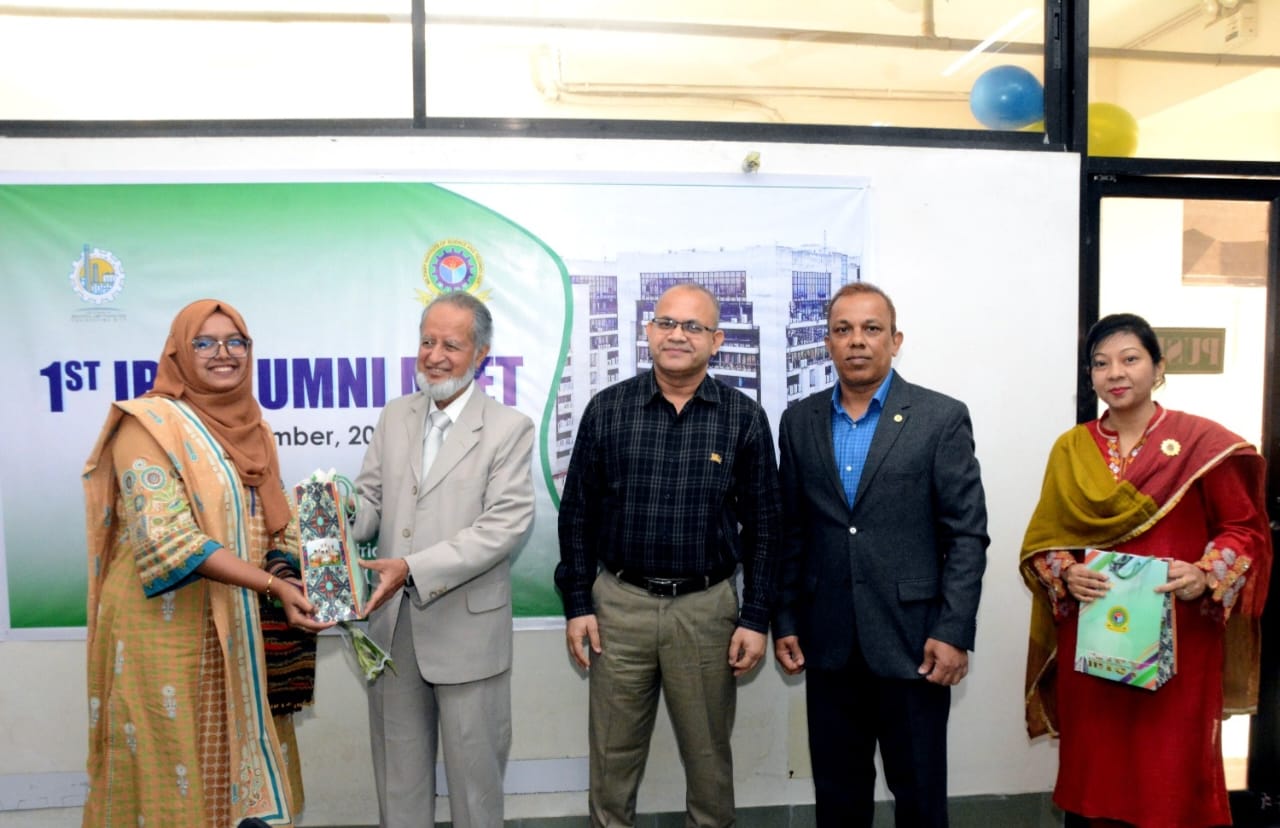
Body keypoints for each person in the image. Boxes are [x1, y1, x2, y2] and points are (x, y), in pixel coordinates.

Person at [81, 299, 331, 828]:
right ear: (178, 353)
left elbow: (276, 525)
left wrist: (313, 563)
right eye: (205, 343)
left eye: (235, 341)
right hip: (168, 631)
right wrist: (273, 586)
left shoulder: (255, 430)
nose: (224, 353)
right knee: (176, 768)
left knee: (241, 776)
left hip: (242, 633)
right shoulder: (146, 425)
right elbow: (167, 538)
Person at [1020, 312, 1271, 828]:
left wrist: (1205, 573)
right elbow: (1045, 542)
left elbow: (1244, 529)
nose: (1116, 372)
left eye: (1130, 359)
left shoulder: (1203, 443)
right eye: (1101, 363)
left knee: (1169, 772)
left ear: (1158, 368)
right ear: (1090, 376)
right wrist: (1065, 573)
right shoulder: (1071, 449)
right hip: (1095, 636)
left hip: (1178, 635)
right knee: (1098, 772)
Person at [556, 282, 782, 828]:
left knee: (708, 763)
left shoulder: (743, 418)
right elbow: (577, 515)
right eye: (666, 323)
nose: (677, 335)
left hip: (706, 611)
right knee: (611, 762)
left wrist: (755, 617)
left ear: (717, 341)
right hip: (619, 608)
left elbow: (767, 528)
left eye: (693, 327)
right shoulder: (607, 410)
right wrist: (578, 604)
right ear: (648, 331)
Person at [772, 282, 988, 828]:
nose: (857, 341)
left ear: (896, 340)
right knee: (838, 801)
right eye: (843, 330)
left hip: (914, 644)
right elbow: (792, 531)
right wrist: (786, 619)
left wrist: (954, 630)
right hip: (828, 643)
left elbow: (966, 535)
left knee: (920, 801)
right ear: (827, 342)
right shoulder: (799, 421)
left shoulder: (939, 417)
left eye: (871, 329)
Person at [351, 290, 535, 828]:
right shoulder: (395, 416)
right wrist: (332, 511)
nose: (434, 356)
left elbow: (502, 527)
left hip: (467, 633)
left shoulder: (508, 428)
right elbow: (368, 505)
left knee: (474, 788)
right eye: (427, 341)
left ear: (480, 353)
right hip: (393, 630)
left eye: (450, 345)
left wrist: (413, 568)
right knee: (399, 782)